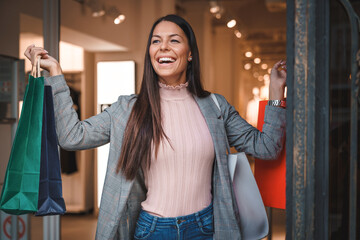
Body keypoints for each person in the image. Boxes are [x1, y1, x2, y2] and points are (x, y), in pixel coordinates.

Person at [25, 14, 286, 240]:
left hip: (206, 227)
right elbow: (72, 137)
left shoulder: (216, 107)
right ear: (150, 53)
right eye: (155, 41)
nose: (163, 47)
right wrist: (56, 75)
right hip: (153, 229)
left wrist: (276, 92)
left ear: (190, 52)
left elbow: (266, 147)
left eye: (174, 40)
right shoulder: (129, 109)